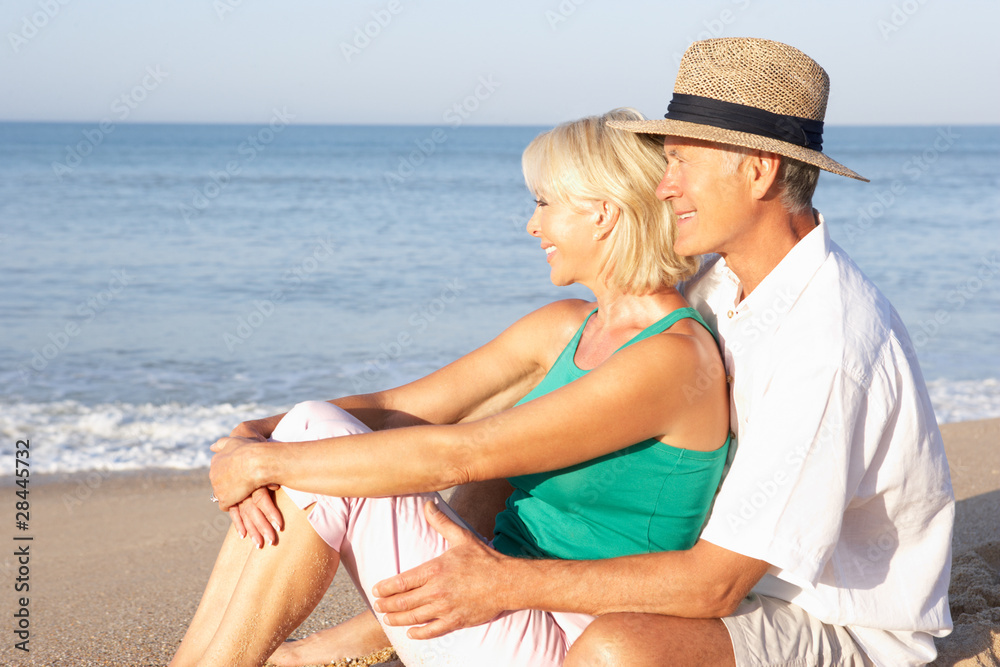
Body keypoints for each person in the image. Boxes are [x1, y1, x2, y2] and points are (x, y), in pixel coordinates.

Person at [367, 38, 955, 666]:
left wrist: (505, 584)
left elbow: (715, 583)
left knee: (618, 649)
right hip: (737, 580)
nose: (663, 186)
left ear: (758, 171)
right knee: (521, 444)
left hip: (828, 618)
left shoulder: (827, 345)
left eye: (679, 161)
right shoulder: (721, 282)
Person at [169, 108, 733, 667]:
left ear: (603, 213)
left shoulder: (671, 360)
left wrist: (265, 465)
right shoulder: (566, 327)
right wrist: (256, 436)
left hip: (567, 638)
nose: (531, 226)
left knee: (310, 436)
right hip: (488, 601)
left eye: (543, 204)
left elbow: (465, 455)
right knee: (306, 428)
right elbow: (395, 410)